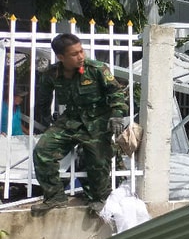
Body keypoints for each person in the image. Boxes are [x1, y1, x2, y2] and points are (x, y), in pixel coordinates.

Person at [31, 33, 128, 214]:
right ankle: (54, 197)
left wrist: (117, 115)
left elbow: (116, 93)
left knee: (97, 157)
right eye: (75, 54)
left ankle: (99, 198)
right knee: (43, 151)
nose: (81, 56)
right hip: (71, 119)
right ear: (61, 57)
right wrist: (45, 122)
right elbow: (43, 100)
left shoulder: (96, 68)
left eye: (81, 51)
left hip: (98, 119)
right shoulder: (53, 74)